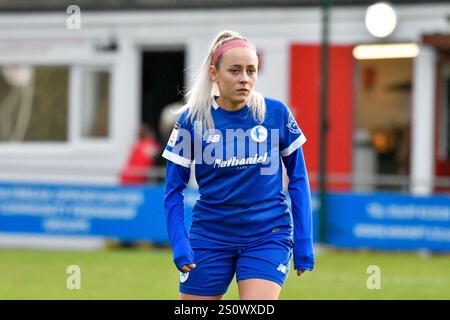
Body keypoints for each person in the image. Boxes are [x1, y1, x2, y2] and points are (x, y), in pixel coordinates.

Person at [162, 30, 314, 300]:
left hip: (268, 235)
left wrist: (303, 241)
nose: (245, 79)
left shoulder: (276, 113)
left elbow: (299, 179)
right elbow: (173, 190)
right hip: (209, 237)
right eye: (235, 70)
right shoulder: (192, 120)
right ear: (214, 73)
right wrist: (180, 242)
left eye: (251, 70)